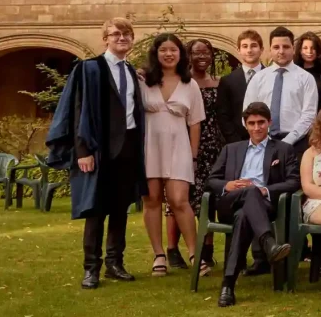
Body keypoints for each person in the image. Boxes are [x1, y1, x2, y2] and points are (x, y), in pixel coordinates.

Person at [46, 17, 148, 290]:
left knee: (120, 209)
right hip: (98, 149)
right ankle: (91, 268)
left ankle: (116, 263)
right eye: (115, 34)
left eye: (126, 34)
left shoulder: (130, 71)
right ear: (105, 39)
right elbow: (79, 110)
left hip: (127, 147)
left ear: (132, 39)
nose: (121, 38)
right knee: (95, 209)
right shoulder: (90, 69)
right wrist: (83, 150)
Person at [207, 101, 298, 307]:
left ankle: (227, 285)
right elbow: (211, 180)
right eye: (252, 123)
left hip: (262, 206)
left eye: (261, 123)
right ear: (245, 125)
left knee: (244, 215)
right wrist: (228, 184)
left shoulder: (283, 150)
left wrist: (265, 190)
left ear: (269, 123)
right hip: (230, 203)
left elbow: (293, 181)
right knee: (248, 194)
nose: (257, 128)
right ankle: (268, 243)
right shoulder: (231, 149)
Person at [140, 33, 204, 277]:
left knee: (179, 200)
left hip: (180, 147)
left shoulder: (190, 84)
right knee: (152, 199)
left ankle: (194, 253)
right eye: (163, 50)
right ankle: (159, 255)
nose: (168, 54)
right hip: (149, 147)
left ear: (181, 54)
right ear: (156, 54)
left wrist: (194, 156)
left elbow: (195, 123)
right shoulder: (144, 81)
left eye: (173, 50)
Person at [243, 26, 319, 159]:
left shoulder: (306, 78)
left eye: (286, 47)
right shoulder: (259, 78)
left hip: (296, 143)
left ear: (293, 49)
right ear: (270, 49)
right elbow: (246, 113)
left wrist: (287, 141)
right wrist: (261, 137)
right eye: (276, 47)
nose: (281, 51)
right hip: (262, 142)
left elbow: (309, 115)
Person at [182, 38, 224, 277]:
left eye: (206, 52)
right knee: (192, 200)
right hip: (192, 145)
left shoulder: (219, 82)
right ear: (188, 56)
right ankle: (185, 250)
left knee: (214, 200)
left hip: (216, 147)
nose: (202, 56)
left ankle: (209, 249)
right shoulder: (184, 83)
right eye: (196, 52)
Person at [215, 30, 264, 145]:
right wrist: (235, 141)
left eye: (254, 46)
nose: (249, 50)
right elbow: (223, 115)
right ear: (238, 50)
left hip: (268, 140)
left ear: (261, 49)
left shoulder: (272, 77)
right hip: (238, 142)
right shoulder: (228, 81)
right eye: (245, 46)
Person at [295, 31, 321, 111]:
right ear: (300, 51)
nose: (309, 52)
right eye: (305, 48)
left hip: (319, 114)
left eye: (313, 48)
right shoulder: (294, 71)